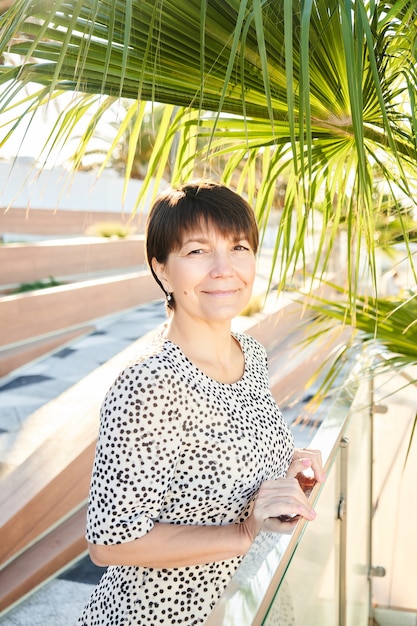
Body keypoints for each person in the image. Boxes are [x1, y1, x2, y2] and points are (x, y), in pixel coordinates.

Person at [77, 181, 325, 626]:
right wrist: (244, 532)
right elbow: (109, 545)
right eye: (196, 252)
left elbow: (235, 451)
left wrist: (291, 461)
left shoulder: (250, 353)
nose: (224, 269)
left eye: (239, 247)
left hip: (240, 603)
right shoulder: (150, 385)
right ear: (162, 270)